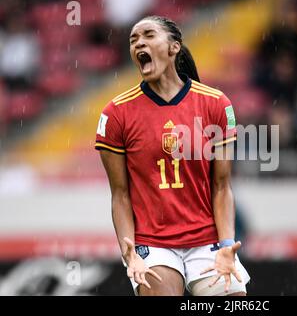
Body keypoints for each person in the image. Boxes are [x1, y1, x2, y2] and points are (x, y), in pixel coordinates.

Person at [95, 15, 250, 296]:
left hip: (208, 241)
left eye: (148, 35)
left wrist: (227, 244)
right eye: (133, 39)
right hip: (152, 243)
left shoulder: (216, 104)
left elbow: (221, 186)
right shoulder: (115, 114)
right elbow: (120, 194)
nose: (139, 42)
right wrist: (129, 250)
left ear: (174, 47)